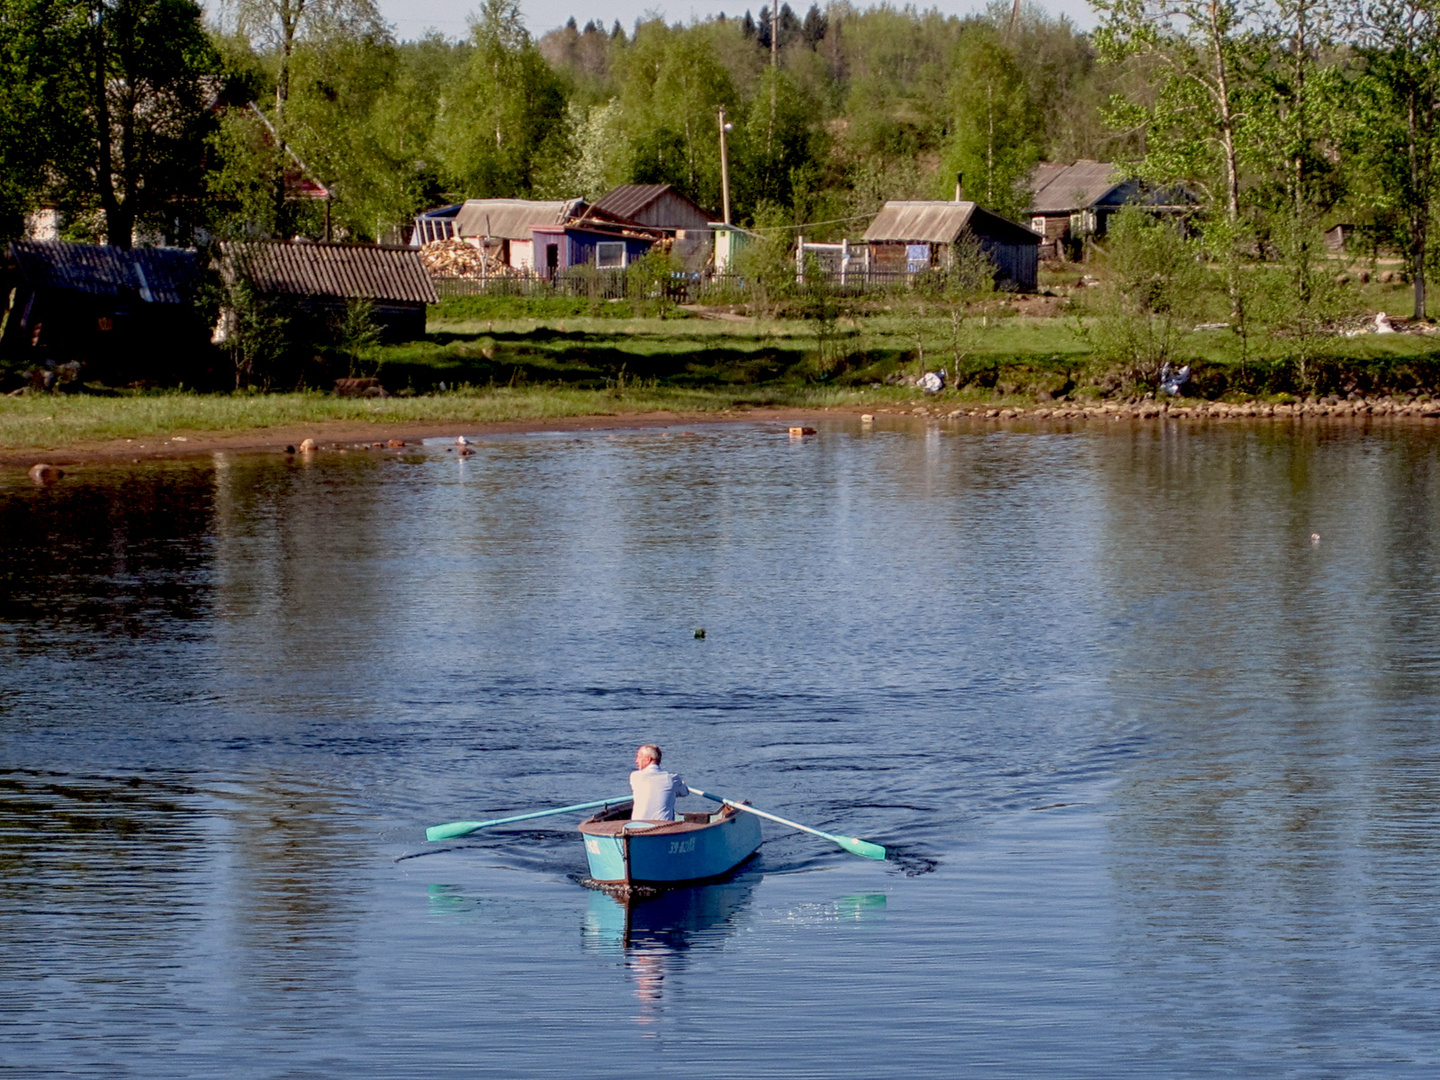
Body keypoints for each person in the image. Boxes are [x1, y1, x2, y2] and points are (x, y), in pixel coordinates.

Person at [629, 744, 688, 821]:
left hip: (637, 827)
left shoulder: (634, 776)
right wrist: (681, 784)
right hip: (662, 827)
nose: (636, 761)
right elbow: (685, 792)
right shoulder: (672, 779)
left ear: (648, 759)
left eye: (639, 757)